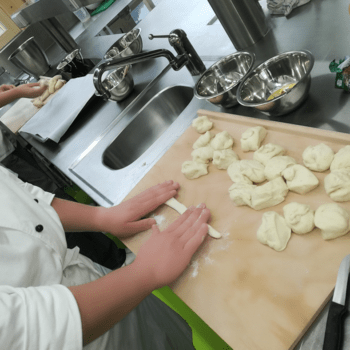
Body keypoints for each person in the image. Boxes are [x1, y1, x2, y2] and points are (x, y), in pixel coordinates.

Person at [0, 166, 211, 350]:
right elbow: (14, 329)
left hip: (105, 284)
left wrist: (100, 217)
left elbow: (17, 198)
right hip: (76, 335)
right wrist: (144, 273)